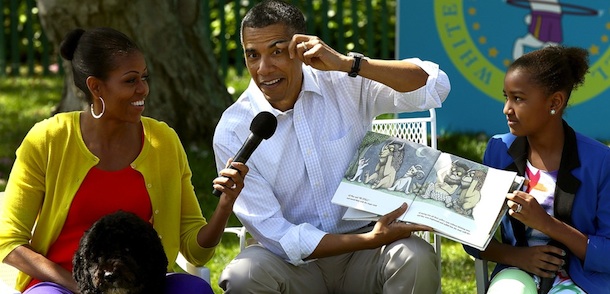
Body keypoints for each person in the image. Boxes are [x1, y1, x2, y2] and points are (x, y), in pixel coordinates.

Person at [212, 1, 450, 292]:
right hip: (292, 264)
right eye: (252, 55)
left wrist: (349, 64)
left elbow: (434, 87)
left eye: (277, 51)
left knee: (416, 258)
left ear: (300, 47)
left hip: (366, 254)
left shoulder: (342, 80)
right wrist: (371, 239)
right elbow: (277, 235)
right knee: (243, 275)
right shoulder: (233, 129)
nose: (263, 68)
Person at [0, 27, 249, 294]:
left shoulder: (162, 141)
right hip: (63, 286)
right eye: (130, 81)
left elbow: (194, 251)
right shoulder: (48, 139)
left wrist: (225, 206)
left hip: (143, 285)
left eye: (144, 77)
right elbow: (9, 242)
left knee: (194, 289)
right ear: (96, 87)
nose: (143, 89)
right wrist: (84, 288)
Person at [463, 45, 610, 293]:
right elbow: (471, 234)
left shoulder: (601, 161)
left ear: (555, 101)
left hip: (580, 279)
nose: (507, 109)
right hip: (516, 271)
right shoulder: (498, 150)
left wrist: (548, 224)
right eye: (506, 97)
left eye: (518, 98)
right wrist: (518, 257)